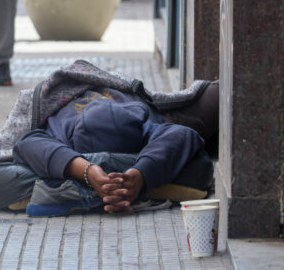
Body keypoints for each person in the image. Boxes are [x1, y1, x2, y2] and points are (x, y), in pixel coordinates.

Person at [12, 82, 218, 213]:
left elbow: (181, 134)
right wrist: (88, 171)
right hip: (80, 107)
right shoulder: (60, 132)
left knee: (216, 96)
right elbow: (25, 142)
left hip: (130, 101)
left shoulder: (141, 121)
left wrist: (140, 175)